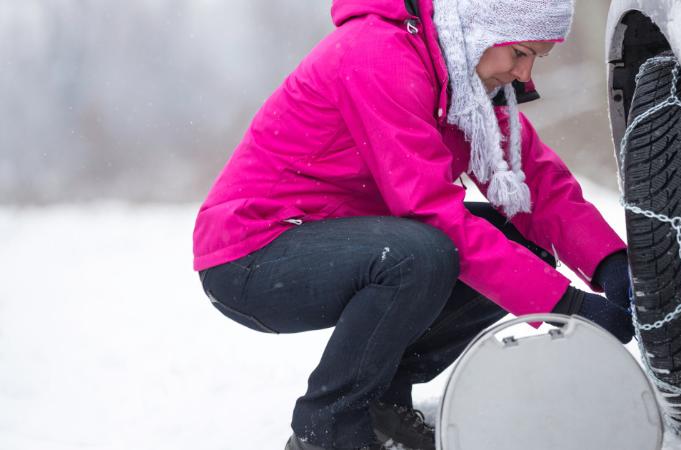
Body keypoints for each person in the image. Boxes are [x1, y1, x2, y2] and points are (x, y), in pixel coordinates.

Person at [193, 0, 634, 448]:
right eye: (520, 53)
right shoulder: (378, 56)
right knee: (420, 255)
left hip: (335, 237)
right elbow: (430, 211)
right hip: (252, 253)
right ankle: (326, 431)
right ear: (481, 28)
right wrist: (567, 305)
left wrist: (612, 267)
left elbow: (535, 183)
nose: (523, 74)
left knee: (514, 240)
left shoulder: (460, 82)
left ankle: (382, 401)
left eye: (536, 59)